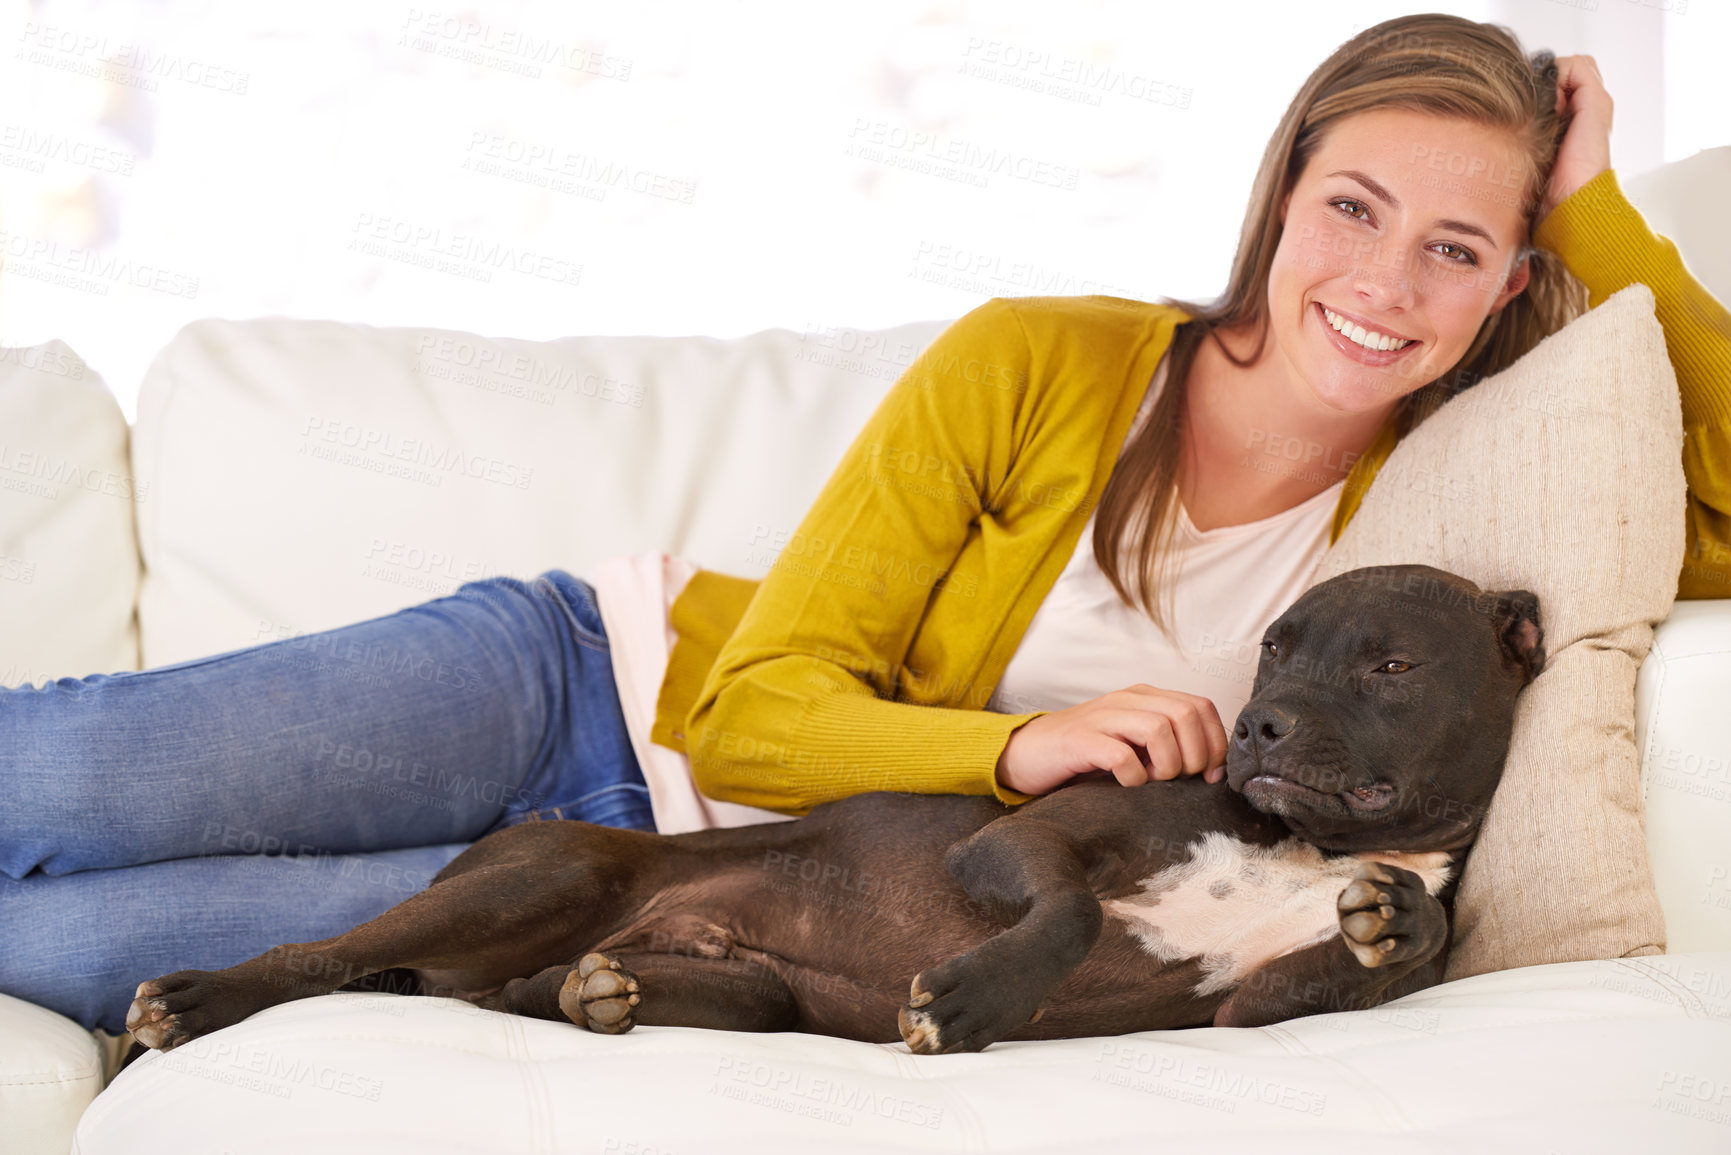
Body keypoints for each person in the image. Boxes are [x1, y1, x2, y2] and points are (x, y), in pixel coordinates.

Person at [2, 14, 1726, 1037]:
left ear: (1511, 281)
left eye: (1457, 243)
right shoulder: (1043, 365)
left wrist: (1604, 210)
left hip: (713, 882)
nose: (1385, 278)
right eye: (1354, 206)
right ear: (1281, 195)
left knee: (65, 947)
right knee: (58, 790)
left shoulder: (1421, 509)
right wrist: (1024, 745)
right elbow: (755, 705)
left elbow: (1708, 502)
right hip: (590, 690)